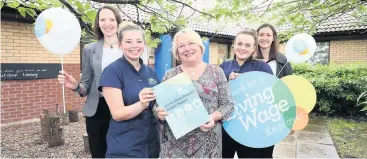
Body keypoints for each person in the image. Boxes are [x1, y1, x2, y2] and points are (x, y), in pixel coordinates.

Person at [154, 28, 234, 158]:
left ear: (200, 46)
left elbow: (228, 104)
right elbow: (157, 106)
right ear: (177, 52)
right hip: (175, 146)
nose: (187, 48)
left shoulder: (217, 72)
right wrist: (159, 113)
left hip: (209, 144)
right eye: (181, 46)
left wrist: (212, 117)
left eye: (191, 43)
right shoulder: (170, 74)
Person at [57, 6, 122, 158]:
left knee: (122, 151)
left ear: (118, 22)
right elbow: (86, 85)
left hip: (123, 106)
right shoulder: (89, 49)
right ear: (98, 23)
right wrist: (76, 87)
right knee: (99, 152)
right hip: (97, 108)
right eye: (103, 19)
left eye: (112, 19)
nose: (108, 23)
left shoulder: (128, 47)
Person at [98, 22, 160, 158]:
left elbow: (157, 105)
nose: (134, 46)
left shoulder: (151, 72)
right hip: (125, 146)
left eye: (139, 41)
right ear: (120, 45)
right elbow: (117, 113)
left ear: (144, 44)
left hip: (151, 144)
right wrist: (141, 104)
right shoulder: (112, 71)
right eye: (128, 41)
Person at [219, 29, 274, 158]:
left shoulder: (262, 67)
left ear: (254, 48)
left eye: (248, 45)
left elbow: (270, 96)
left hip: (252, 127)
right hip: (227, 127)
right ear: (234, 45)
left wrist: (247, 83)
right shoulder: (223, 67)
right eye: (240, 43)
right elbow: (217, 95)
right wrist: (228, 83)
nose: (242, 48)